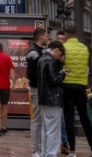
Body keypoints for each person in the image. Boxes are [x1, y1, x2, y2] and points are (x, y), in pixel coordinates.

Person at [60, 26, 92, 155]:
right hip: (81, 87)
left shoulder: (64, 48)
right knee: (85, 118)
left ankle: (73, 151)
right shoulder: (84, 48)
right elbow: (86, 68)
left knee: (69, 119)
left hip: (67, 86)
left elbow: (62, 66)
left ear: (67, 35)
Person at [38, 40, 67, 157]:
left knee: (45, 130)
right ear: (56, 50)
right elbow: (54, 80)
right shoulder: (50, 61)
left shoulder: (42, 59)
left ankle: (44, 153)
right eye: (60, 54)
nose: (60, 57)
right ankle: (51, 154)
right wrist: (63, 74)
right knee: (53, 131)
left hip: (44, 99)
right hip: (53, 99)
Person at [26, 28, 48, 157]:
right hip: (37, 89)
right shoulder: (34, 52)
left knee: (40, 119)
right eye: (46, 35)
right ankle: (36, 150)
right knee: (37, 119)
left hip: (41, 89)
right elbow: (31, 73)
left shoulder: (40, 51)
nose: (47, 37)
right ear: (40, 37)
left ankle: (40, 149)